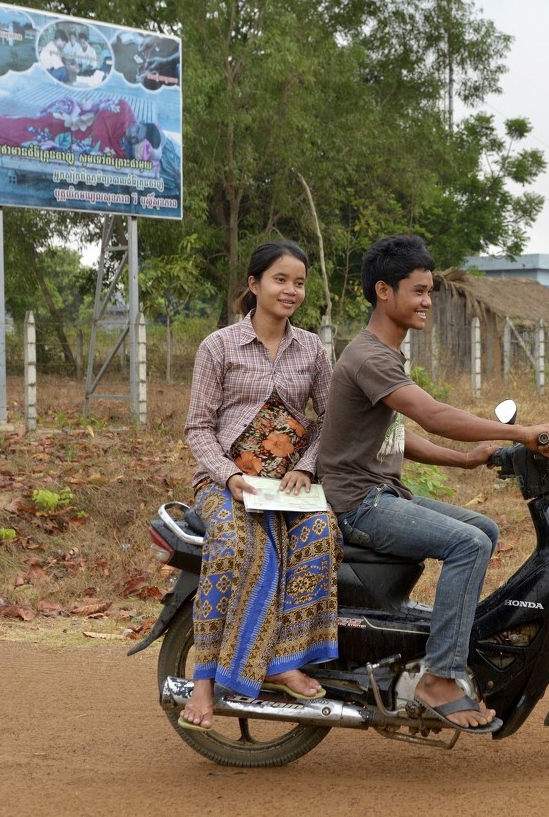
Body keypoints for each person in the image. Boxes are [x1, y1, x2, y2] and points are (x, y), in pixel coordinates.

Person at [317, 234, 549, 735]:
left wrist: (466, 461)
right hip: (357, 502)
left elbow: (399, 437)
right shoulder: (371, 358)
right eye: (418, 291)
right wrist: (519, 432)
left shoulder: (382, 354)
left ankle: (450, 650)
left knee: (484, 530)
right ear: (384, 290)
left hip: (380, 491)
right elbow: (433, 415)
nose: (427, 301)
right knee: (468, 544)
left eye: (430, 291)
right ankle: (440, 677)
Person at [178, 241, 340, 732]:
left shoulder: (311, 347)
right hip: (226, 483)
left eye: (299, 282)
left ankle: (284, 660)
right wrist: (230, 477)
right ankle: (204, 679)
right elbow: (197, 427)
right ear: (254, 284)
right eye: (280, 280)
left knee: (322, 533)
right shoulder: (219, 346)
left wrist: (307, 468)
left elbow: (330, 419)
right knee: (232, 547)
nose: (291, 290)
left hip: (290, 486)